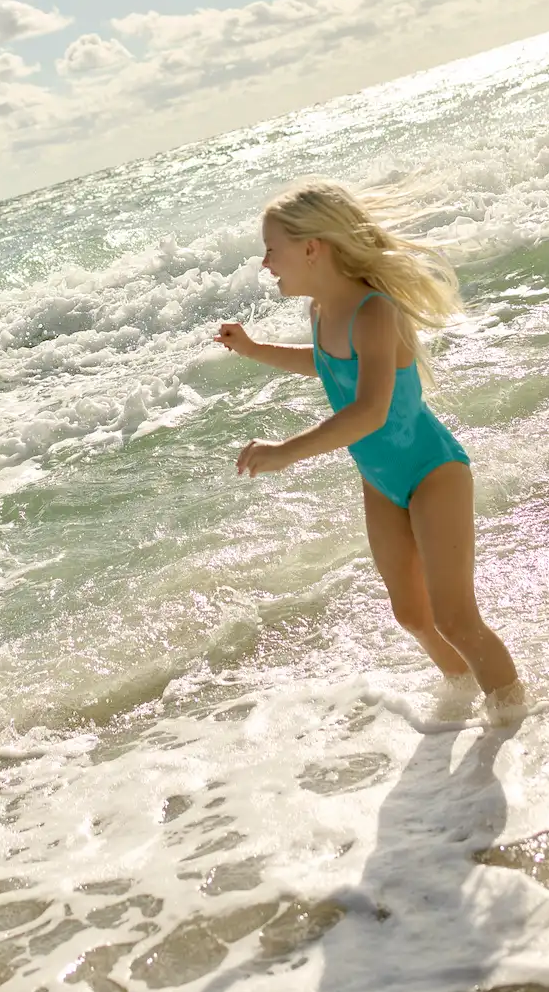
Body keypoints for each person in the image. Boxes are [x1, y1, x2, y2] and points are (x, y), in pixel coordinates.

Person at [218, 179, 522, 717]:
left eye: (272, 250)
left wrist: (287, 450)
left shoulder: (376, 311)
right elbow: (329, 362)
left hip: (432, 471)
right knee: (411, 614)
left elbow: (371, 410)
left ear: (312, 248)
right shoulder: (320, 314)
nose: (266, 264)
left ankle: (512, 714)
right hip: (381, 480)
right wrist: (256, 349)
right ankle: (463, 695)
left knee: (455, 616)